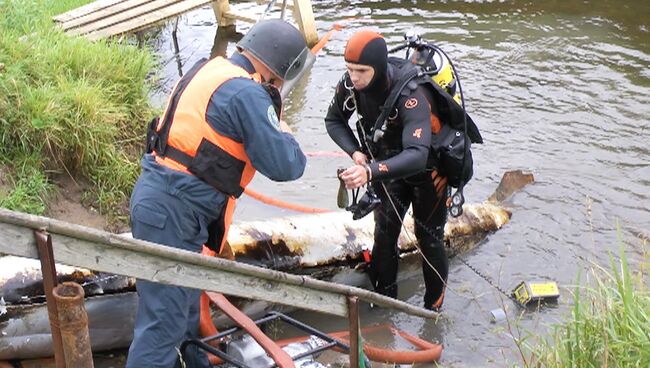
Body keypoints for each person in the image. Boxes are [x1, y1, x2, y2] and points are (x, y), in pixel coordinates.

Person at [127, 19, 309, 368]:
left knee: (184, 318)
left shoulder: (210, 67)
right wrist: (285, 133)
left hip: (163, 201)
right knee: (161, 329)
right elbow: (285, 164)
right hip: (175, 213)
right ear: (278, 71)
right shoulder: (246, 92)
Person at [325, 29, 452, 311]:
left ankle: (432, 311)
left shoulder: (412, 95)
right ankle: (385, 306)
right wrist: (357, 154)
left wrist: (370, 172)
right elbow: (334, 120)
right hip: (385, 168)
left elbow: (417, 156)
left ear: (378, 68)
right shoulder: (350, 85)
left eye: (361, 70)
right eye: (349, 69)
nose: (353, 77)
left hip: (428, 172)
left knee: (429, 238)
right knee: (384, 235)